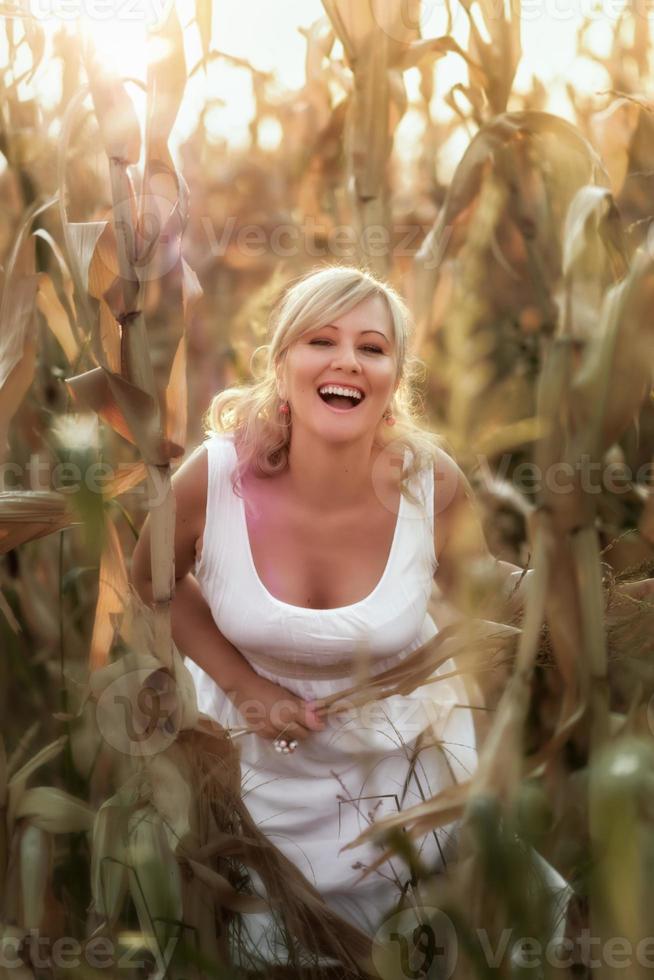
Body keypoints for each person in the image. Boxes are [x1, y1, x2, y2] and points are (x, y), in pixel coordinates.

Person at [131, 265, 529, 967]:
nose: (348, 359)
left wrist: (576, 576)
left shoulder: (430, 485)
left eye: (372, 348)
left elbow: (482, 590)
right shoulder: (215, 477)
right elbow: (153, 582)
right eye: (322, 340)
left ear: (392, 382)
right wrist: (247, 689)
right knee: (266, 954)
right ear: (281, 368)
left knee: (410, 956)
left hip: (403, 789)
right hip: (251, 791)